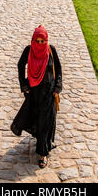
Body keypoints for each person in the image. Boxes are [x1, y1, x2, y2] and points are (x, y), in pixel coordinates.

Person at [11, 25, 62, 168]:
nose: (40, 44)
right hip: (34, 93)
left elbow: (58, 69)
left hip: (49, 93)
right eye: (37, 41)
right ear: (33, 40)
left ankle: (43, 153)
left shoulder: (51, 50)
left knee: (46, 122)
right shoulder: (29, 51)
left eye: (42, 41)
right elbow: (20, 65)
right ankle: (42, 141)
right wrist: (24, 86)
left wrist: (57, 88)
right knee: (36, 119)